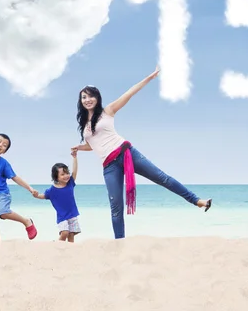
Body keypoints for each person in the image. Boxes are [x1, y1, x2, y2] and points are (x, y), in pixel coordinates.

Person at [70, 66, 212, 239]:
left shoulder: (108, 111)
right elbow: (93, 144)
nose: (87, 100)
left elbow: (129, 93)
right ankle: (119, 243)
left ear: (97, 98)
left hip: (126, 153)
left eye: (91, 96)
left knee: (162, 178)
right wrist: (79, 147)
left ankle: (197, 201)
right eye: (84, 97)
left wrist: (148, 79)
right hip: (109, 166)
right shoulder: (85, 125)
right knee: (116, 207)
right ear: (80, 101)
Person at [33, 153, 81, 243]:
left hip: (73, 215)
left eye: (67, 173)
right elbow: (43, 196)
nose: (66, 175)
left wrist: (74, 158)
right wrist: (36, 195)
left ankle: (70, 251)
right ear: (56, 177)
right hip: (62, 216)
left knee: (71, 235)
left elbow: (75, 171)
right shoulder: (52, 190)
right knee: (64, 233)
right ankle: (56, 246)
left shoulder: (70, 183)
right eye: (62, 174)